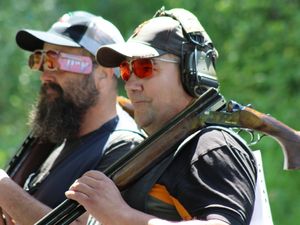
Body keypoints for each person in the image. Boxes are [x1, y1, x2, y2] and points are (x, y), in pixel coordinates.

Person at [65, 7, 258, 225]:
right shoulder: (160, 152)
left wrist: (120, 216)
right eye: (126, 70)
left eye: (144, 67)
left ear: (191, 70)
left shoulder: (209, 146)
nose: (130, 84)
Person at [0, 11, 144, 225]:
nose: (45, 75)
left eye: (57, 61)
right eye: (41, 61)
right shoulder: (57, 132)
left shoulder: (125, 148)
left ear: (102, 75)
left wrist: (5, 190)